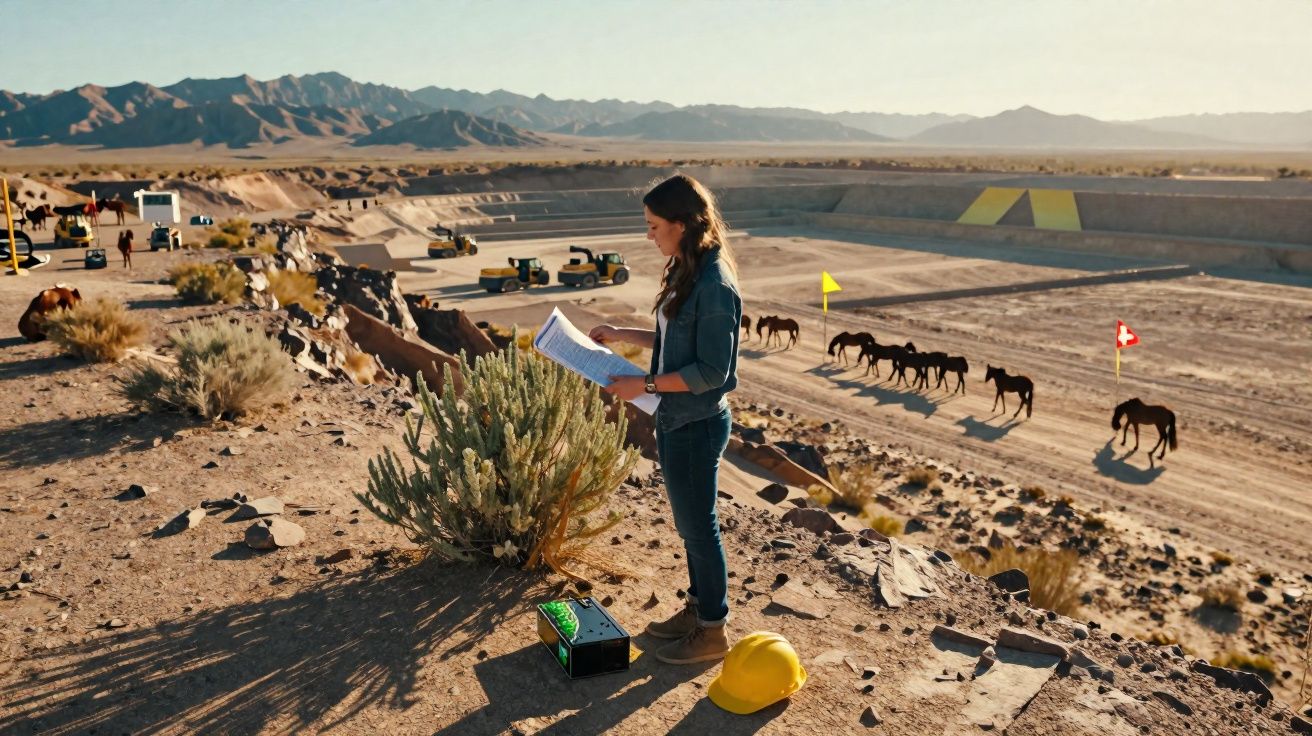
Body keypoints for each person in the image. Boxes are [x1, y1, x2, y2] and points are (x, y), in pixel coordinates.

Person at [589, 174, 742, 665]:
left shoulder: (715, 285)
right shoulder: (687, 267)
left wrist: (644, 386)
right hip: (677, 420)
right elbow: (676, 341)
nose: (648, 235)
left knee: (700, 528)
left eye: (655, 226)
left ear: (681, 224)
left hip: (696, 424)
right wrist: (621, 332)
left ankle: (713, 631)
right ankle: (697, 610)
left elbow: (712, 371)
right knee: (690, 525)